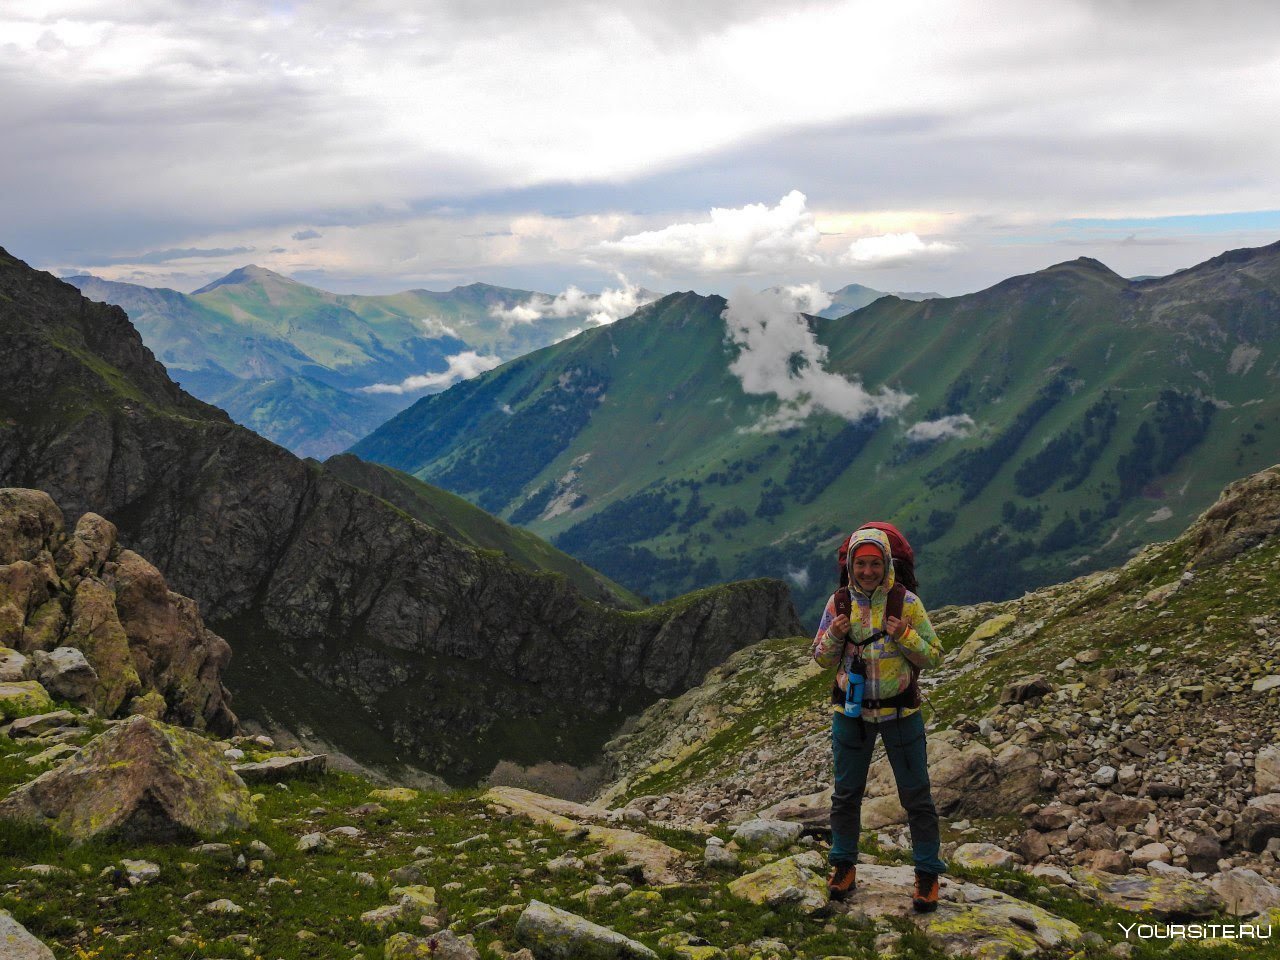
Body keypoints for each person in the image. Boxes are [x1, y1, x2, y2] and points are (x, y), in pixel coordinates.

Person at [811, 525, 945, 911]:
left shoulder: (907, 604)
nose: (867, 571)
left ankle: (926, 875)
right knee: (846, 795)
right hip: (850, 714)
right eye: (860, 563)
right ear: (850, 565)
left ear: (887, 563)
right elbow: (819, 658)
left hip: (901, 711)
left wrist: (905, 635)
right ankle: (843, 866)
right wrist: (835, 636)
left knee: (916, 796)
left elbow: (934, 655)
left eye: (874, 563)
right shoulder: (837, 604)